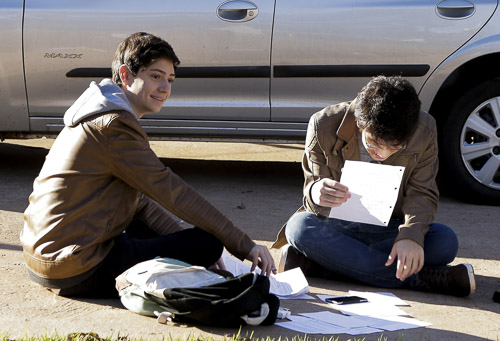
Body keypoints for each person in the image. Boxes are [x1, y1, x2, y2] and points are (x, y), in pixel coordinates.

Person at [20, 32, 275, 298]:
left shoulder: (98, 113)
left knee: (187, 242)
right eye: (155, 76)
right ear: (126, 75)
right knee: (208, 243)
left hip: (48, 259)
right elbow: (172, 191)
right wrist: (244, 246)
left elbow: (139, 202)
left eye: (170, 79)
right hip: (74, 268)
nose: (165, 88)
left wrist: (183, 246)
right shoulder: (114, 127)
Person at [272, 75, 476, 297]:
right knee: (299, 227)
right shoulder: (323, 124)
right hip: (338, 227)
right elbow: (313, 193)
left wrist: (410, 236)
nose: (382, 153)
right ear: (360, 124)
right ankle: (420, 279)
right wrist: (316, 191)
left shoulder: (424, 128)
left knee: (445, 242)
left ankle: (321, 266)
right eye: (373, 143)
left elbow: (422, 192)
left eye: (396, 146)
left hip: (390, 228)